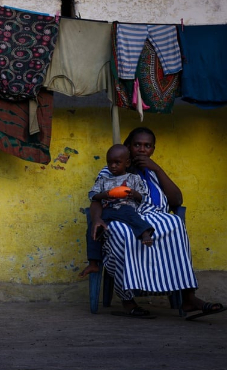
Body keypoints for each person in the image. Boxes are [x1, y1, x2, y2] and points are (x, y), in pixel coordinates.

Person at [89, 127, 225, 319]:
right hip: (122, 216)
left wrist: (157, 168)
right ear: (128, 147)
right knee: (122, 233)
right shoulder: (113, 168)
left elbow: (176, 200)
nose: (142, 150)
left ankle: (188, 298)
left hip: (154, 215)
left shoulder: (152, 171)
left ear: (153, 149)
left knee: (175, 224)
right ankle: (128, 301)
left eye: (147, 146)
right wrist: (97, 218)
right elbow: (96, 199)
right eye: (137, 145)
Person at [79, 144, 154, 278]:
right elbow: (92, 195)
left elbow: (143, 197)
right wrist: (104, 195)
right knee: (93, 228)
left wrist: (134, 194)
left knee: (132, 216)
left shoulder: (133, 178)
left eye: (117, 162)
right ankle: (93, 262)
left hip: (125, 209)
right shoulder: (103, 179)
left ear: (127, 163)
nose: (113, 166)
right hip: (108, 210)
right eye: (110, 162)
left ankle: (145, 234)